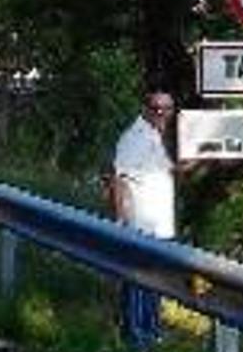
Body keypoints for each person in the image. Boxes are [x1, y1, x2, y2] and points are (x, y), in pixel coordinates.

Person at [105, 89, 177, 350]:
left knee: (153, 284)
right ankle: (136, 337)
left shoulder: (154, 138)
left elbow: (164, 172)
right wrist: (121, 223)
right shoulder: (134, 138)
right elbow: (118, 180)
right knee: (138, 285)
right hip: (140, 227)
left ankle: (150, 332)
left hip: (158, 228)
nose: (162, 113)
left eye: (167, 108)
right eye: (156, 108)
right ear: (145, 109)